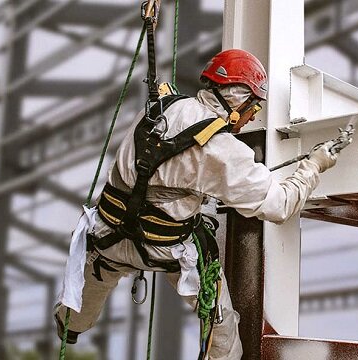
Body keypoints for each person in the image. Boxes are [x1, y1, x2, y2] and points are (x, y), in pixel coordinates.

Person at [55, 48, 339, 359]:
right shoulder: (222, 149)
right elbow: (280, 205)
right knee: (223, 330)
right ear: (237, 100)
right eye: (254, 106)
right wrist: (314, 166)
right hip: (162, 248)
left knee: (82, 298)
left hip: (107, 237)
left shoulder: (159, 108)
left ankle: (70, 326)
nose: (254, 115)